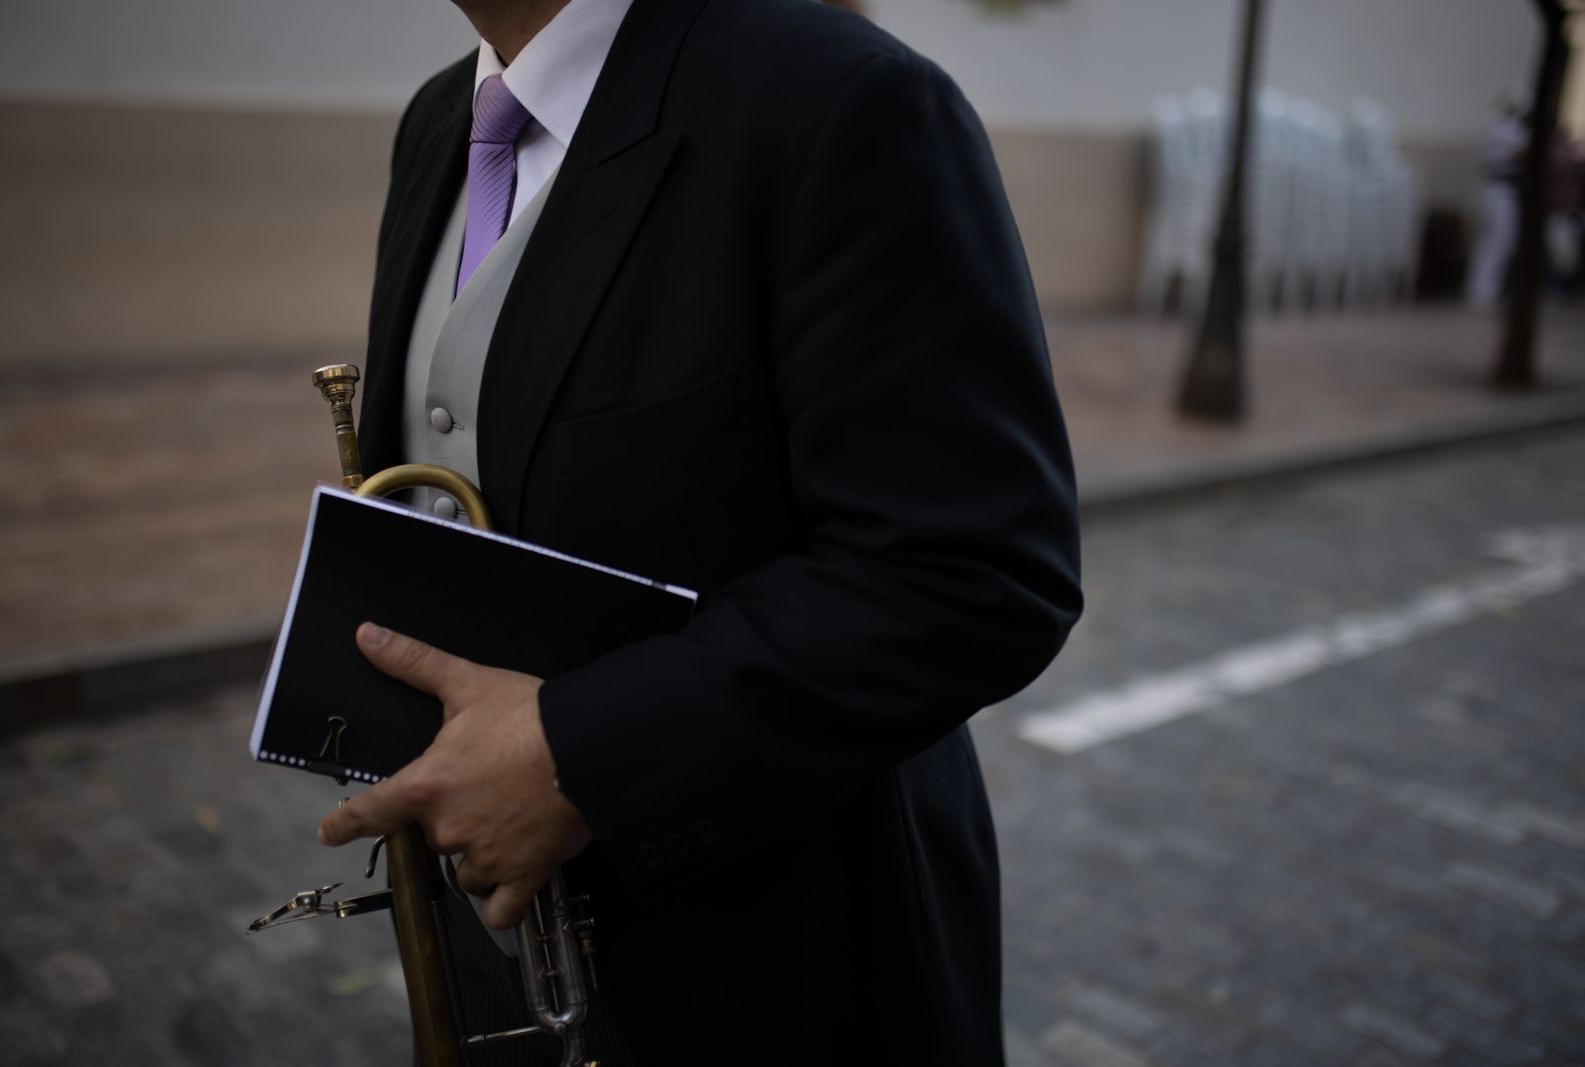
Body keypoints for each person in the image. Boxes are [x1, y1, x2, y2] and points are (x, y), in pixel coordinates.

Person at [315, 0, 1082, 1063]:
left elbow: (972, 570)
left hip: (779, 972)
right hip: (493, 951)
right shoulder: (440, 118)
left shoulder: (840, 99)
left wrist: (579, 756)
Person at [1466, 99, 1528, 308]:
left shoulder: (1497, 127)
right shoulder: (1505, 129)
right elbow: (1521, 152)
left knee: (1492, 241)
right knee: (1500, 241)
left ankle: (1483, 289)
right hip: (1499, 191)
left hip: (1497, 191)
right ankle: (1483, 291)